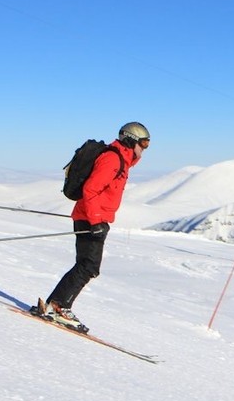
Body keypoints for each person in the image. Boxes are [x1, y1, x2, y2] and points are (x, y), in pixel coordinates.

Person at [34, 122, 150, 332]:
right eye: (143, 143)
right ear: (131, 140)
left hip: (94, 218)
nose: (145, 148)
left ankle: (55, 305)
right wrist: (96, 221)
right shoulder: (113, 159)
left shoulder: (121, 159)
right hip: (90, 219)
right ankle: (59, 307)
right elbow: (91, 189)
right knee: (88, 266)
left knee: (87, 265)